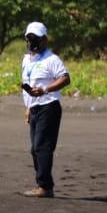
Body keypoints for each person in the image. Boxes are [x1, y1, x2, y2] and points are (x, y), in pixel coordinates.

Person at [21, 21, 70, 198]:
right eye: (29, 39)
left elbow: (65, 79)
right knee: (35, 149)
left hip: (49, 106)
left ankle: (45, 187)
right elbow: (29, 84)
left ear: (45, 40)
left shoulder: (52, 59)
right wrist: (28, 107)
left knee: (42, 147)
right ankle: (43, 184)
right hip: (34, 108)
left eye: (36, 39)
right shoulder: (27, 59)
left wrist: (45, 90)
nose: (32, 43)